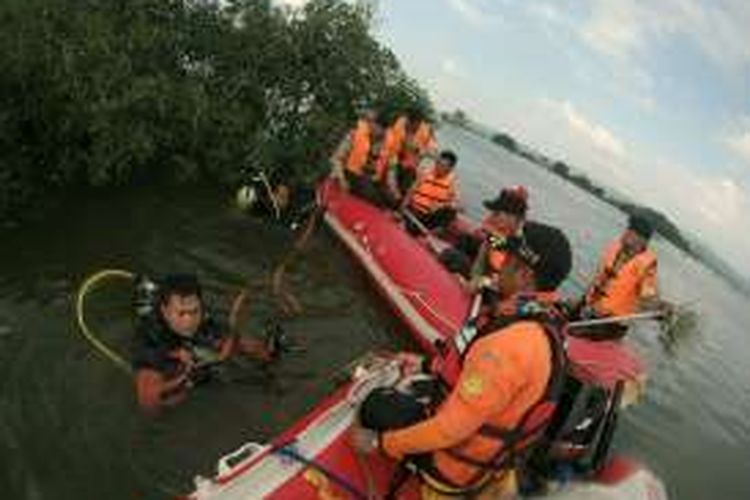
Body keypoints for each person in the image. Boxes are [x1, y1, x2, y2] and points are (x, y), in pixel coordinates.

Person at [353, 222, 573, 499]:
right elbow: (467, 371)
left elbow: (450, 430)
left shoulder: (509, 345)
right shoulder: (543, 321)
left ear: (525, 274)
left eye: (508, 261)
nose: (499, 266)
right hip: (486, 449)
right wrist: (423, 364)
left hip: (453, 465)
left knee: (375, 405)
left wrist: (382, 444)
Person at [132, 274, 277, 413]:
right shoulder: (152, 341)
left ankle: (155, 291)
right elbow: (149, 406)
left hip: (188, 344)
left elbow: (236, 341)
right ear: (165, 312)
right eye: (181, 314)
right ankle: (147, 293)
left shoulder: (204, 319)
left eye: (194, 312)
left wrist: (267, 356)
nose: (188, 322)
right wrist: (185, 381)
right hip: (167, 343)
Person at [575, 213, 668, 338]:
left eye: (632, 231)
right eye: (628, 228)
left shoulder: (647, 267)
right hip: (588, 308)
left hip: (609, 324)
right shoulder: (615, 248)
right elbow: (597, 278)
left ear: (642, 240)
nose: (626, 233)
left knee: (571, 334)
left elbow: (648, 297)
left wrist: (659, 307)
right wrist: (582, 301)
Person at [330, 110, 396, 208]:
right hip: (350, 174)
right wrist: (342, 180)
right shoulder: (355, 134)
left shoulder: (388, 141)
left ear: (384, 129)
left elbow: (391, 169)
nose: (373, 128)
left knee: (391, 199)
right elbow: (337, 159)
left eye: (379, 128)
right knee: (372, 196)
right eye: (373, 124)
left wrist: (392, 187)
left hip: (372, 180)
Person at [401, 150, 461, 232]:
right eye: (437, 163)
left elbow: (456, 205)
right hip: (415, 210)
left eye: (442, 166)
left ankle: (433, 232)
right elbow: (412, 190)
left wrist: (441, 205)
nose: (438, 167)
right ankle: (411, 224)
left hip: (430, 215)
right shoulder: (426, 172)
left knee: (450, 212)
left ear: (450, 169)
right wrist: (403, 206)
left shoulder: (453, 182)